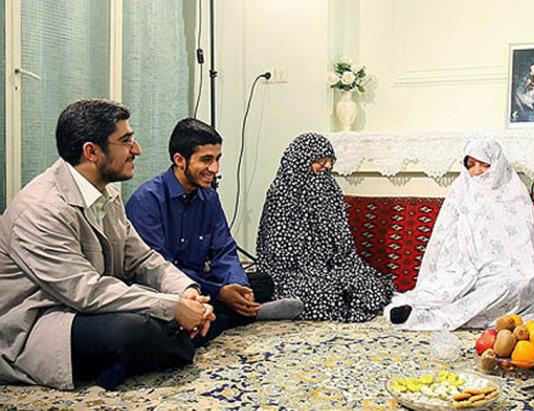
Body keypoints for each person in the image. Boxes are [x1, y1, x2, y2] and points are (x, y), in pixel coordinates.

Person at [0, 100, 215, 391]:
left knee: (194, 304)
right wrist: (171, 307)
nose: (136, 150)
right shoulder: (41, 209)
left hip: (89, 307)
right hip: (41, 321)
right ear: (91, 152)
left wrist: (185, 292)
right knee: (134, 330)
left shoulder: (107, 193)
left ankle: (135, 356)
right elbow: (85, 291)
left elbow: (142, 260)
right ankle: (166, 341)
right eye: (126, 141)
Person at [126, 118, 302, 341]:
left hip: (202, 280)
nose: (215, 169)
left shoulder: (209, 196)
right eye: (206, 160)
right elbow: (159, 269)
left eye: (217, 159)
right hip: (167, 287)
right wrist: (219, 292)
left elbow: (224, 250)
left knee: (262, 281)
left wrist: (238, 285)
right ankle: (244, 314)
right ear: (180, 160)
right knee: (177, 310)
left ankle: (232, 311)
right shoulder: (147, 201)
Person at [384, 139, 534, 330]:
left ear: (497, 165)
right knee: (445, 286)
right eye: (471, 165)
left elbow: (526, 248)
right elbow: (443, 235)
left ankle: (431, 318)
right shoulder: (461, 190)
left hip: (504, 271)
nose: (477, 170)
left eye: (484, 164)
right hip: (463, 266)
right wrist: (462, 265)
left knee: (510, 287)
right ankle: (412, 309)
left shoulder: (515, 194)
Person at [256, 132, 394, 322]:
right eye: (321, 160)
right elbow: (278, 249)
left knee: (367, 283)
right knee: (320, 290)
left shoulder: (330, 189)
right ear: (301, 161)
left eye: (330, 160)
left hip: (332, 265)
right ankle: (275, 309)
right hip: (293, 270)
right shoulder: (280, 193)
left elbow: (342, 238)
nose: (328, 166)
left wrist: (338, 265)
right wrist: (313, 267)